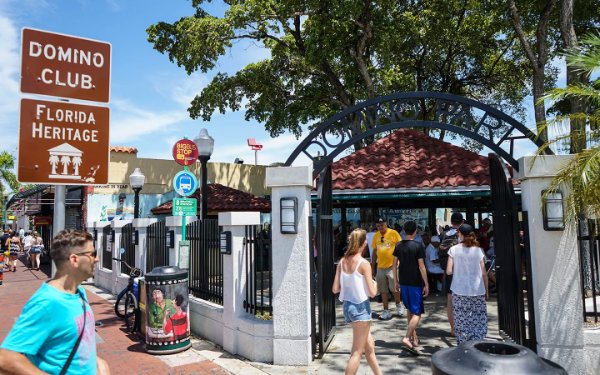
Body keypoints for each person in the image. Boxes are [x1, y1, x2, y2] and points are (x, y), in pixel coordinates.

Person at [0, 229, 110, 374]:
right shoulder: (47, 302)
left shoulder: (79, 292)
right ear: (74, 259)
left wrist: (98, 363)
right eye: (92, 254)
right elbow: (6, 358)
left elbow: (73, 344)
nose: (97, 259)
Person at [332, 229, 382, 375]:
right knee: (356, 353)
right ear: (365, 242)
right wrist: (376, 284)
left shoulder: (342, 262)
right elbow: (373, 292)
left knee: (369, 348)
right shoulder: (364, 263)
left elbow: (335, 289)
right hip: (361, 308)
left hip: (348, 306)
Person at [446, 224, 489, 345]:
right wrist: (487, 291)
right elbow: (484, 274)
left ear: (460, 234)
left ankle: (463, 345)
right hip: (477, 290)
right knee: (478, 317)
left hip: (459, 289)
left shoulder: (453, 250)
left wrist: (460, 272)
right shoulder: (478, 251)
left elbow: (449, 271)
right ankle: (478, 344)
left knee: (461, 318)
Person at [393, 221, 429, 353]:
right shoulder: (418, 246)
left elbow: (394, 265)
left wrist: (396, 281)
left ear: (403, 230)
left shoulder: (398, 245)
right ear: (416, 231)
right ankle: (407, 337)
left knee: (409, 309)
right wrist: (426, 283)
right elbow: (421, 266)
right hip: (415, 282)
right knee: (417, 312)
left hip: (403, 281)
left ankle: (414, 337)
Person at [371, 217, 403, 320]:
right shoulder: (376, 235)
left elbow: (400, 248)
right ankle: (386, 310)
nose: (380, 227)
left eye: (382, 225)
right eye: (378, 225)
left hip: (392, 266)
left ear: (386, 224)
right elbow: (374, 252)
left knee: (395, 288)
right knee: (383, 290)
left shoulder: (394, 233)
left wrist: (399, 261)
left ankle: (398, 305)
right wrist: (372, 267)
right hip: (380, 267)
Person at [438, 212, 464, 336]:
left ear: (451, 222)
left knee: (450, 299)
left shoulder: (443, 234)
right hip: (463, 270)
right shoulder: (464, 233)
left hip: (449, 270)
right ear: (462, 222)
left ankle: (453, 329)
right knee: (464, 298)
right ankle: (463, 326)